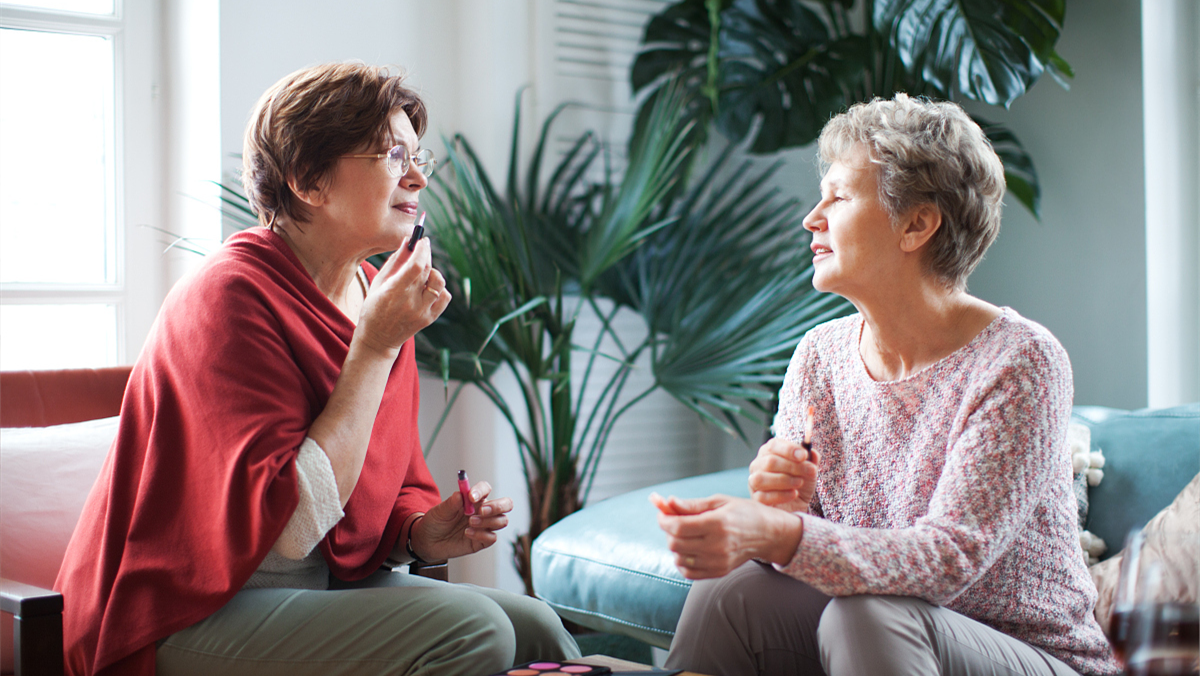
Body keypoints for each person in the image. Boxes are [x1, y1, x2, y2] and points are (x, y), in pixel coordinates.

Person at [55, 63, 579, 676]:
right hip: (183, 611)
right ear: (308, 179)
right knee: (474, 631)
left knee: (538, 626)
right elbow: (292, 528)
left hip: (316, 590)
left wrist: (418, 533)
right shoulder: (228, 297)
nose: (416, 178)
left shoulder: (378, 296)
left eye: (419, 158)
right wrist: (375, 348)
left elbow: (387, 481)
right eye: (391, 155)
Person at [651, 94, 1120, 676]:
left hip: (1036, 656)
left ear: (918, 223)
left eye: (839, 197)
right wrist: (786, 504)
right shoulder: (819, 356)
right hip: (888, 632)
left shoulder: (1021, 361)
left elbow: (948, 558)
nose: (811, 218)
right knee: (731, 591)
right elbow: (818, 546)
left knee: (869, 614)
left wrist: (781, 533)